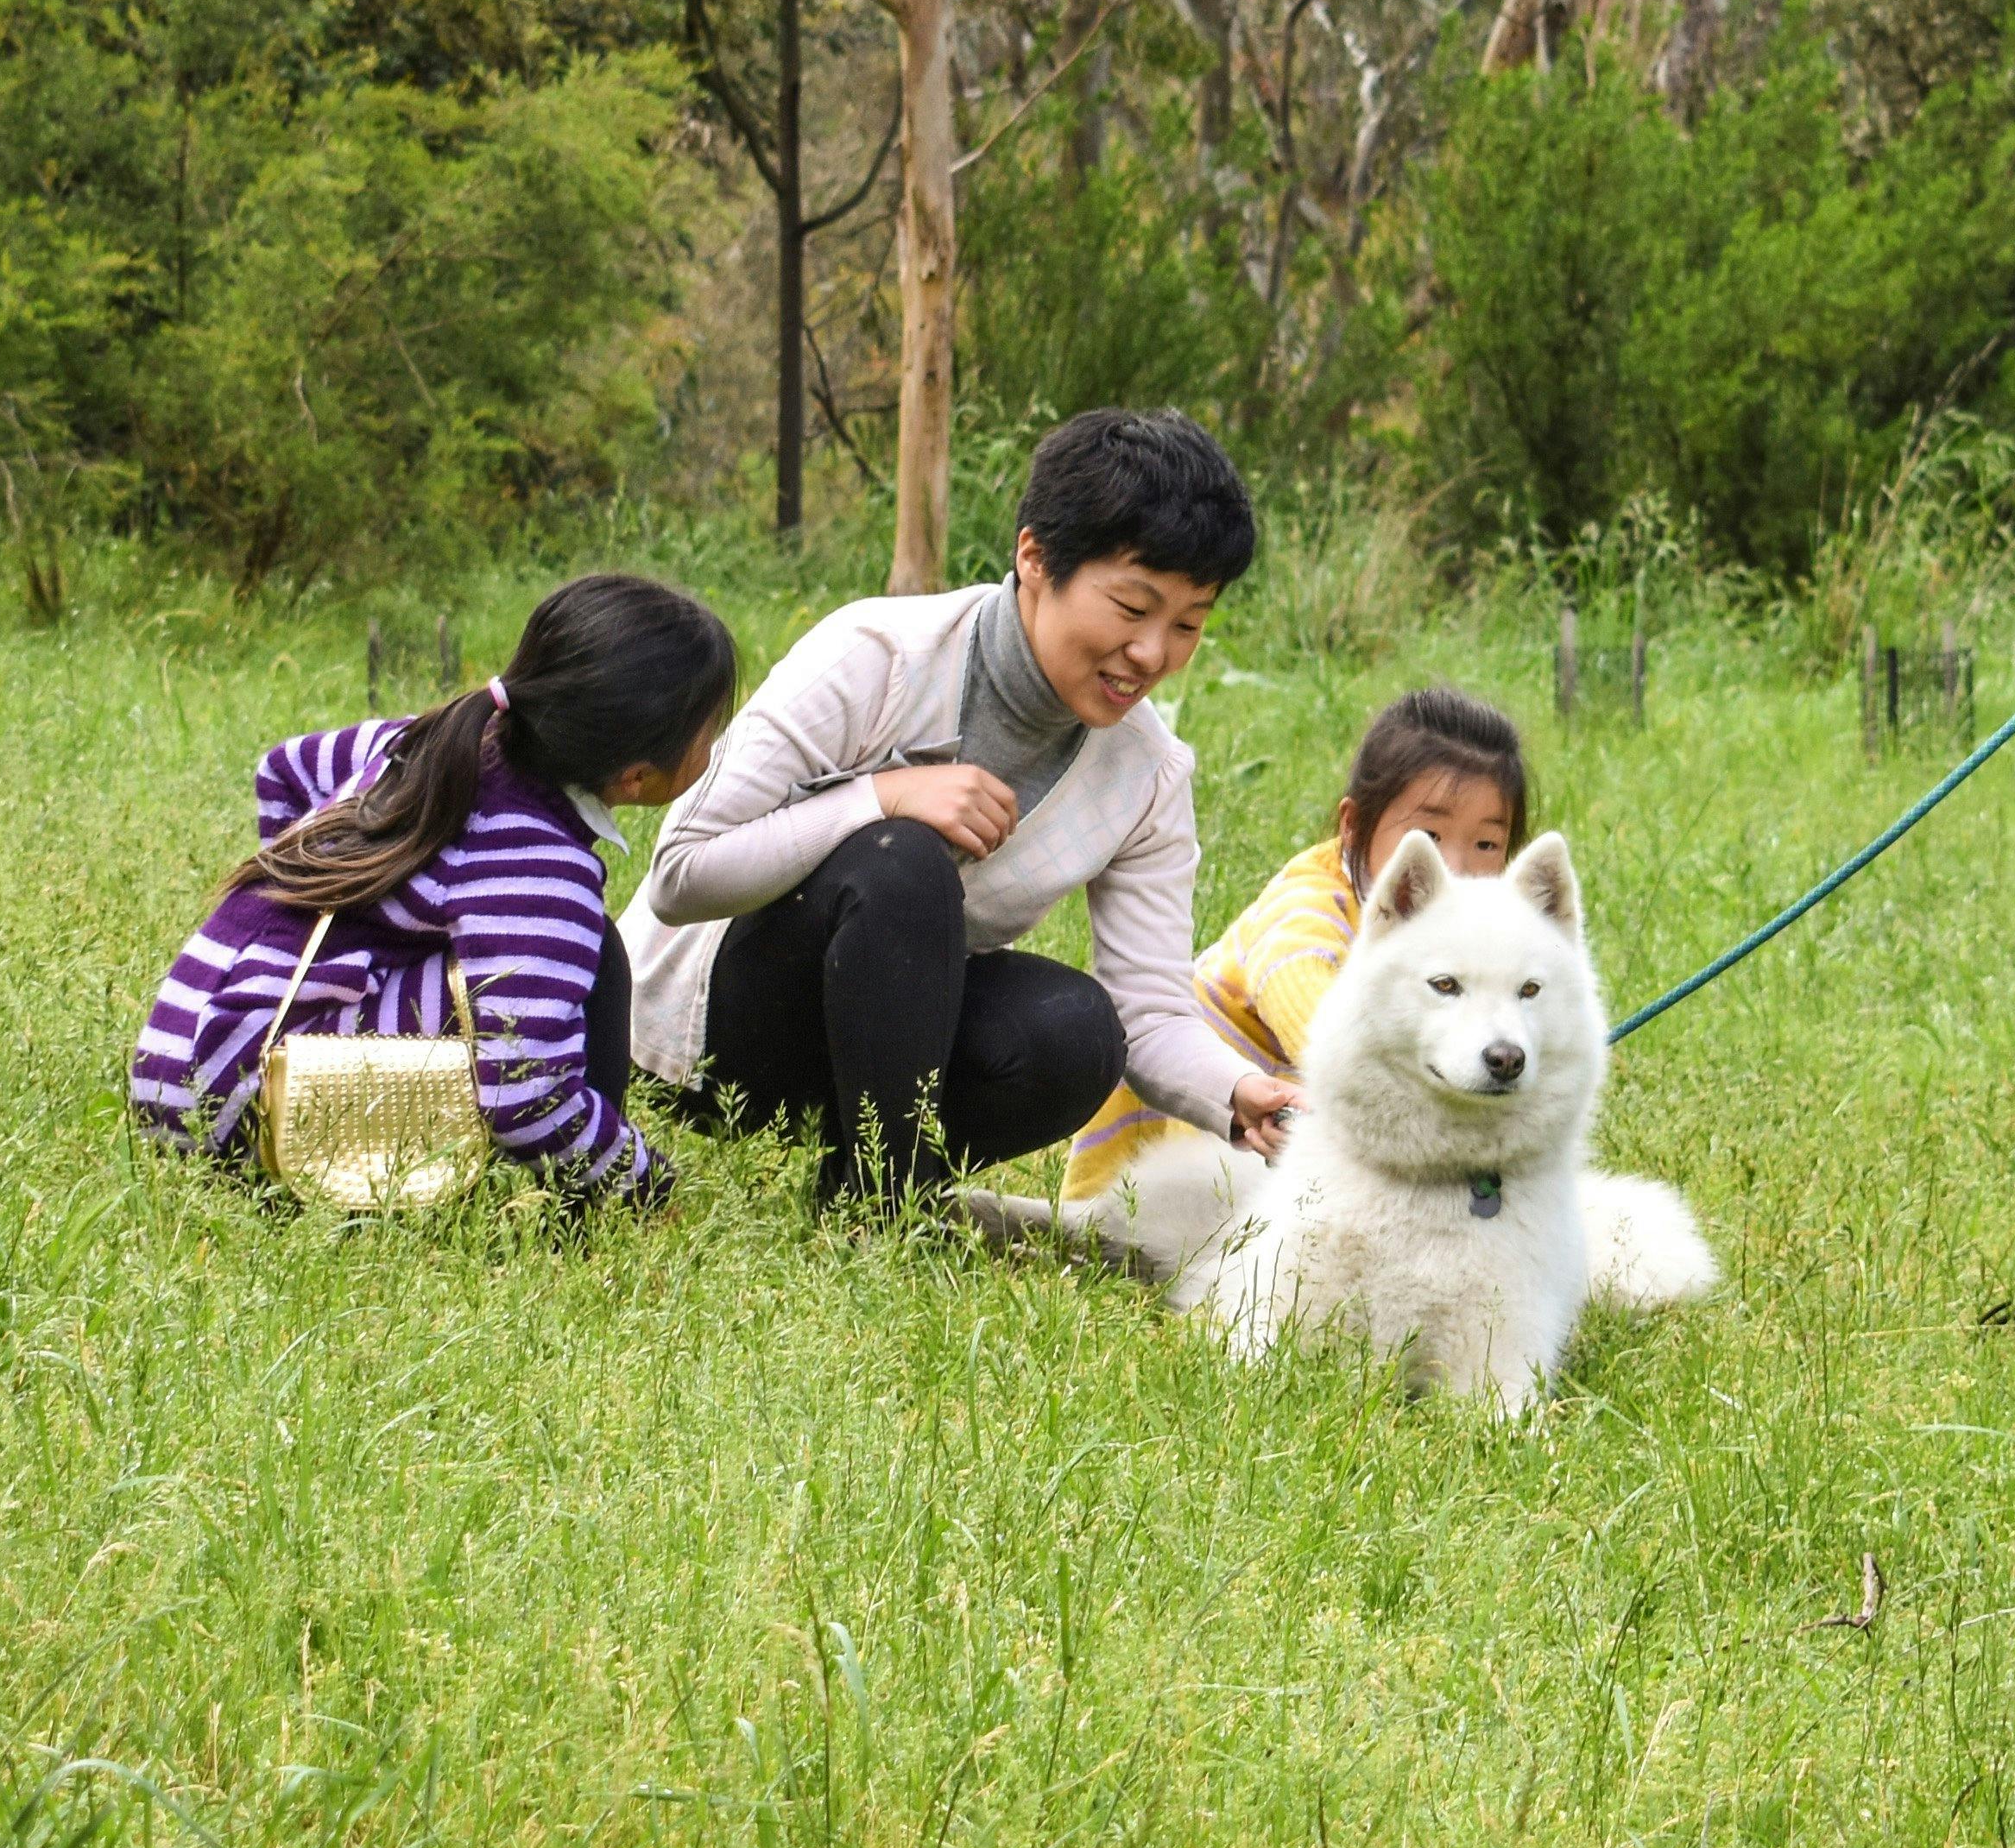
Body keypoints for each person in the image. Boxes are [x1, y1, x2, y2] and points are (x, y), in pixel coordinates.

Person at [627, 410, 1281, 1206]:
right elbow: (680, 872)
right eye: (1133, 609)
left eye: (1188, 624)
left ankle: (857, 1183)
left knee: (1079, 1033)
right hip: (709, 1033)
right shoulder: (875, 656)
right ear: (1035, 557)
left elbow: (1148, 1012)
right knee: (901, 861)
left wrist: (1240, 1091)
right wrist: (880, 797)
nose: (1153, 654)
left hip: (883, 1052)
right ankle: (888, 1205)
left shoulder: (1146, 773)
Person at [132, 573, 737, 1205]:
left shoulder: (422, 741)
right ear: (637, 775)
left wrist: (305, 902)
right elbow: (527, 1097)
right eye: (709, 730)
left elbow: (283, 769)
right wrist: (649, 1186)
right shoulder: (538, 863)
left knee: (567, 957)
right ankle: (581, 1212)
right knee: (586, 966)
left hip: (178, 1067)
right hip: (251, 1116)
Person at [1049, 684, 1532, 1268]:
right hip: (1195, 1131)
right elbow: (1314, 1012)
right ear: (1354, 826)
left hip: (1300, 1129)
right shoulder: (1307, 906)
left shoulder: (1478, 933)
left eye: (1487, 843)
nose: (1455, 865)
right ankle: (1084, 1237)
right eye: (1427, 837)